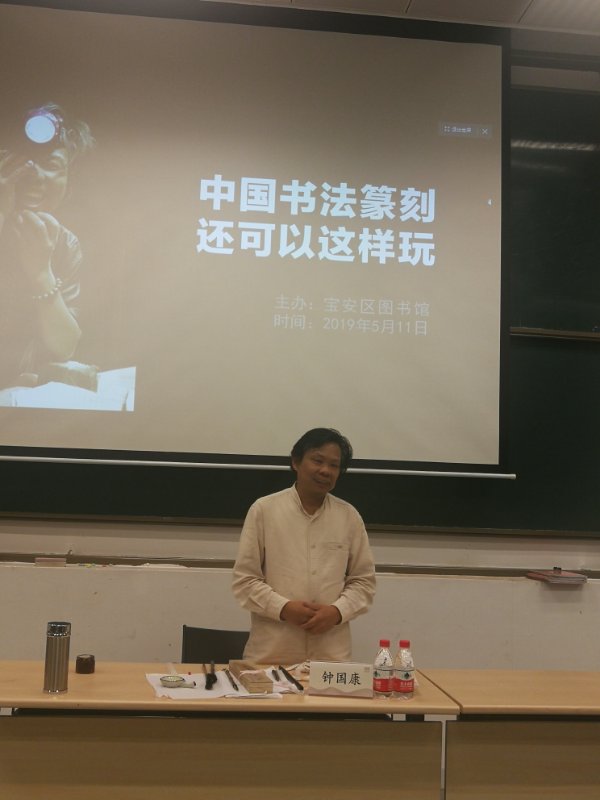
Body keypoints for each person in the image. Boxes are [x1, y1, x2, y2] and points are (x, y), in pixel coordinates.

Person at [232, 428, 376, 664]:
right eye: (317, 460)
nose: (325, 470)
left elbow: (364, 582)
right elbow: (245, 581)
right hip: (272, 655)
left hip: (331, 658)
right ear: (296, 462)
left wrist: (337, 612)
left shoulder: (349, 516)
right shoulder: (264, 510)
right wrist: (284, 608)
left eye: (334, 465)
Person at [0, 102, 94, 391]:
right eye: (23, 162)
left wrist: (41, 272)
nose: (35, 176)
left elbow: (64, 346)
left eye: (52, 166)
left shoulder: (63, 243)